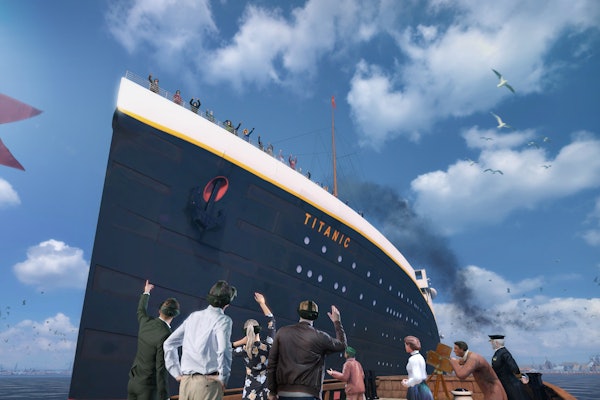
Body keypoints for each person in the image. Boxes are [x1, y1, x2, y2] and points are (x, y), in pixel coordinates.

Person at [163, 280, 237, 400]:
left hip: (186, 383)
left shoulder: (193, 316)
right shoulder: (223, 320)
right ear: (227, 303)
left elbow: (169, 343)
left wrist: (176, 373)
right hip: (207, 383)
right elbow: (223, 349)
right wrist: (224, 377)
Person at [266, 300, 346, 400]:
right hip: (308, 394)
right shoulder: (320, 336)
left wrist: (272, 391)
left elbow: (272, 364)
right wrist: (337, 322)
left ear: (299, 312)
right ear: (316, 316)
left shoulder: (282, 332)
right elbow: (342, 345)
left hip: (283, 392)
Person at [127, 279, 180, 400]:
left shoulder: (145, 322)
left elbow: (141, 310)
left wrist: (146, 292)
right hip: (148, 389)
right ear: (174, 315)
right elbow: (161, 369)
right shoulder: (167, 336)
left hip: (133, 382)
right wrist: (164, 396)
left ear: (159, 311)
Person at [232, 292, 276, 400]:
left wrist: (240, 342)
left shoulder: (243, 350)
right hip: (265, 394)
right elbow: (272, 321)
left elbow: (224, 350)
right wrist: (262, 303)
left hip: (249, 394)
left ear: (246, 333)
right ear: (259, 330)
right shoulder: (268, 346)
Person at [489, 335, 528, 400]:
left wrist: (520, 377)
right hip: (503, 383)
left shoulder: (504, 353)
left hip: (509, 384)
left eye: (492, 342)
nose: (491, 344)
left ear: (496, 343)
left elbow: (514, 367)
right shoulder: (498, 353)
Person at [401, 336, 433, 400]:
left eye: (405, 345)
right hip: (422, 387)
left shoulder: (413, 359)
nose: (405, 347)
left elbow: (417, 378)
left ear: (409, 345)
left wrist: (407, 383)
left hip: (417, 389)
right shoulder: (420, 357)